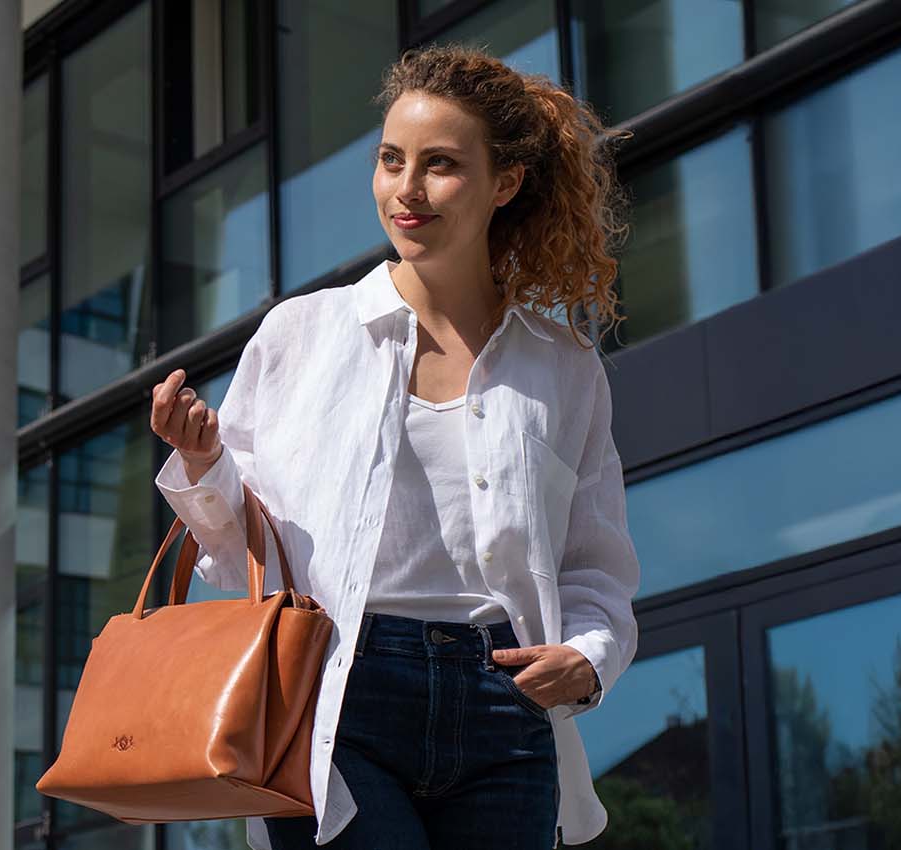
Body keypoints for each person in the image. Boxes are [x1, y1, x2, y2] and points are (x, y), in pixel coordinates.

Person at [148, 44, 641, 849]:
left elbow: (597, 563)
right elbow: (241, 546)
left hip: (506, 704)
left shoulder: (563, 366)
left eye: (440, 165)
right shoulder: (301, 334)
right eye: (390, 160)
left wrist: (589, 658)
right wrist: (203, 464)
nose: (406, 190)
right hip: (338, 696)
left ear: (504, 184)